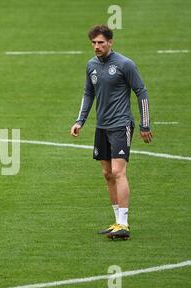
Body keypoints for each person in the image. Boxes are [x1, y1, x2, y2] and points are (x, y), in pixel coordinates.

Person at [70, 25, 153, 240]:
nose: (97, 46)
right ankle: (117, 221)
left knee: (118, 172)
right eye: (94, 43)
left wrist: (145, 124)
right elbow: (88, 93)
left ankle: (124, 224)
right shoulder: (91, 66)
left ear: (110, 42)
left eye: (101, 42)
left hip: (121, 124)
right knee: (107, 174)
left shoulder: (125, 64)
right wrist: (80, 120)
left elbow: (141, 92)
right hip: (102, 126)